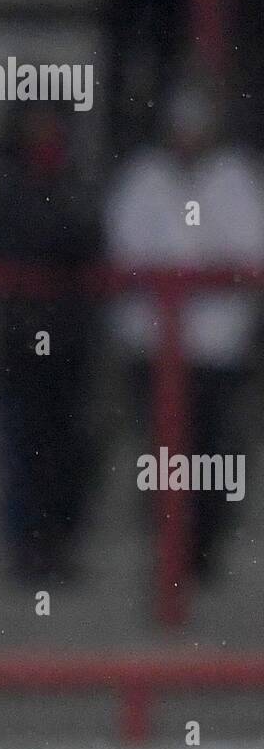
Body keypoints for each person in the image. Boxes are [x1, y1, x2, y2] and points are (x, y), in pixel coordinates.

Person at [106, 80, 264, 581]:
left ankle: (203, 558)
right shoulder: (144, 177)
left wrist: (196, 269)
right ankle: (166, 556)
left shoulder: (235, 177)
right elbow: (128, 249)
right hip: (152, 348)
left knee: (216, 453)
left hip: (218, 350)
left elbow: (248, 250)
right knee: (161, 456)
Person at [0, 101, 100, 583]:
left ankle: (59, 548)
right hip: (19, 336)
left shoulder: (75, 175)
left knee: (68, 447)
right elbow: (8, 235)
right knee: (23, 446)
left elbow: (88, 236)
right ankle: (26, 549)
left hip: (72, 337)